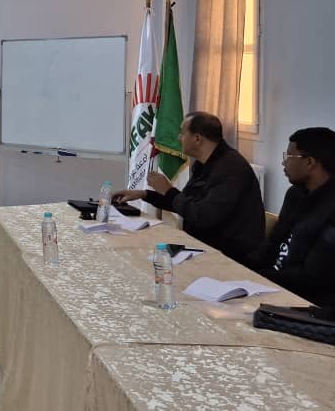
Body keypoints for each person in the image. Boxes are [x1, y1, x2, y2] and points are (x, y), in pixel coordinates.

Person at [114, 111, 264, 265]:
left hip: (232, 256)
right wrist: (144, 194)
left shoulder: (230, 168)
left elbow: (202, 216)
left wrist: (168, 190)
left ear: (197, 139)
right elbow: (185, 203)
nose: (179, 138)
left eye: (182, 133)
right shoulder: (204, 163)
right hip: (204, 245)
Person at [248, 127, 335, 307]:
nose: (283, 163)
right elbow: (273, 243)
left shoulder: (330, 208)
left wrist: (256, 278)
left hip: (307, 301)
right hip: (271, 283)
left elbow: (312, 277)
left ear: (310, 162)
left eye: (288, 156)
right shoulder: (295, 194)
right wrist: (243, 269)